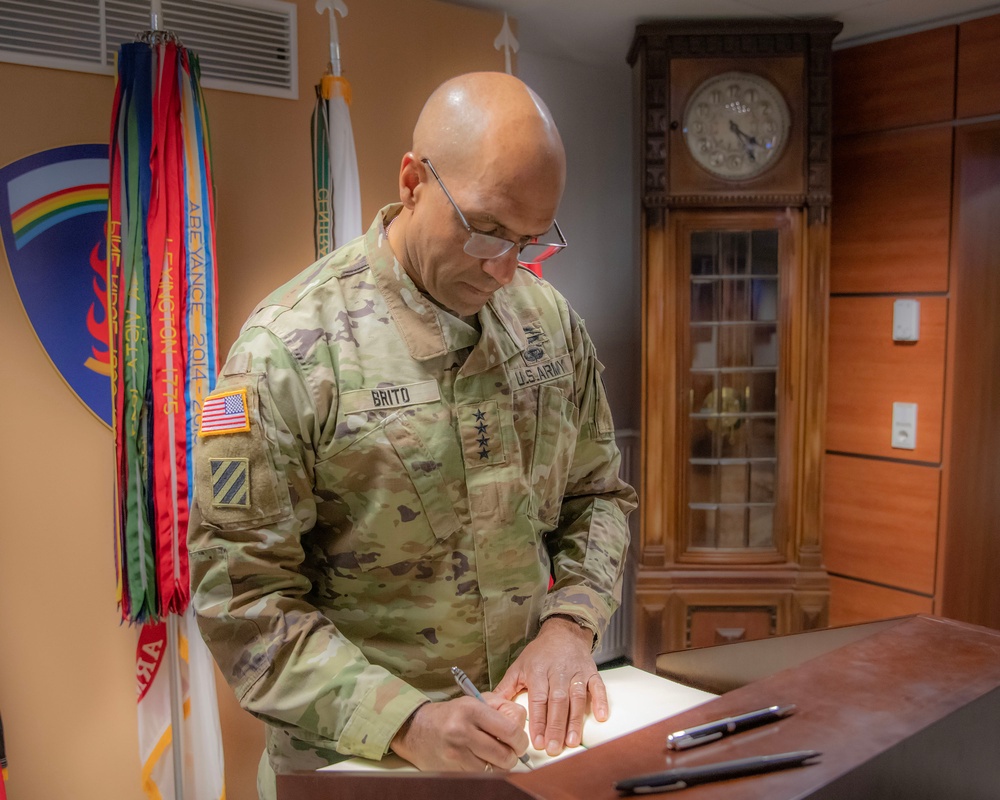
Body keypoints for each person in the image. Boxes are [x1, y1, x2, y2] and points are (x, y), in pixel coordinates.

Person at [187, 71, 636, 798]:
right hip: (357, 769)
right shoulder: (289, 353)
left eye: (529, 239)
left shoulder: (548, 325)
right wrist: (406, 722)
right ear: (413, 181)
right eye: (486, 229)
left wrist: (570, 627)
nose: (504, 267)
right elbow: (243, 602)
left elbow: (599, 495)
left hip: (522, 752)